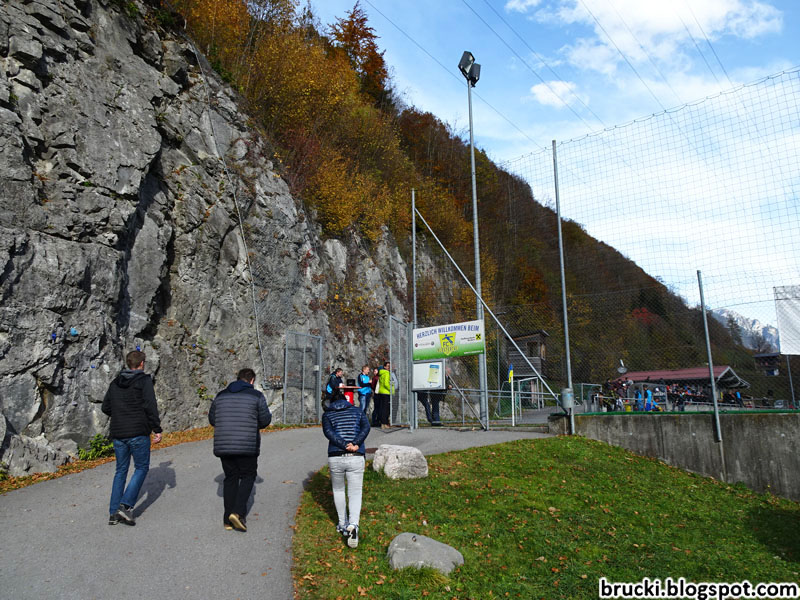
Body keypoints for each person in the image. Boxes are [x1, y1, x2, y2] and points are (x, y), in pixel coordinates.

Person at [102, 350, 162, 526]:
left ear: (128, 364)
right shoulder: (144, 381)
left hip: (118, 433)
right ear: (142, 363)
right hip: (137, 431)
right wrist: (156, 428)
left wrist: (120, 414)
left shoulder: (115, 382)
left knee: (120, 471)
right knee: (141, 468)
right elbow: (150, 405)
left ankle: (113, 513)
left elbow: (105, 407)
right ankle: (125, 505)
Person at [208, 368, 272, 532]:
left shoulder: (221, 395)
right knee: (248, 475)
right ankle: (237, 513)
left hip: (224, 444)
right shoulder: (256, 396)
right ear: (252, 381)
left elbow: (213, 419)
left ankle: (227, 520)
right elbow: (265, 420)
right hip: (246, 444)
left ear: (237, 378)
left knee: (230, 478)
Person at [322, 388, 370, 548]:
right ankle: (354, 525)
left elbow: (329, 433)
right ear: (346, 399)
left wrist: (343, 445)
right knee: (355, 492)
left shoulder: (327, 414)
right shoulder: (357, 411)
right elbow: (366, 428)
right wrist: (355, 443)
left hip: (335, 456)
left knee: (338, 490)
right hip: (356, 455)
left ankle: (343, 524)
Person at [374, 361, 393, 429]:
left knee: (382, 408)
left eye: (389, 366)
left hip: (381, 392)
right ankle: (384, 423)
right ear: (384, 367)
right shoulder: (387, 373)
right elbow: (386, 383)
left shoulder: (381, 373)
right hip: (386, 392)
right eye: (388, 366)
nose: (389, 367)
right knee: (386, 409)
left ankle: (382, 423)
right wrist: (391, 389)